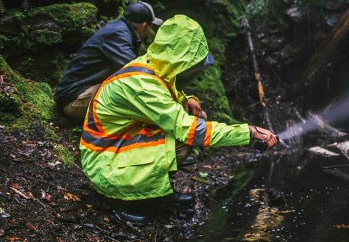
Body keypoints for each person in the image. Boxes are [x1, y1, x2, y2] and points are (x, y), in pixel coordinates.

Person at [79, 15, 278, 224]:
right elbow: (192, 130)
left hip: (117, 144)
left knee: (184, 132)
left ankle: (157, 191)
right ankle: (119, 201)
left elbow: (164, 98)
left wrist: (187, 100)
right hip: (104, 163)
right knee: (183, 139)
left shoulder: (154, 66)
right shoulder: (141, 85)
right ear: (181, 58)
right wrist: (248, 132)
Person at [54, 1, 164, 121]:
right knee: (133, 95)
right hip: (73, 100)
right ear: (144, 25)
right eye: (151, 26)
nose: (150, 30)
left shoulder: (120, 29)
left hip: (78, 94)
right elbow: (136, 71)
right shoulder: (118, 35)